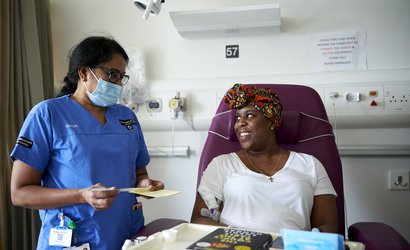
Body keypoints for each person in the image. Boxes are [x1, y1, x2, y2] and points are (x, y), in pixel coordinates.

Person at [10, 36, 164, 250]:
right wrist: (82, 195)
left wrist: (145, 185)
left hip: (126, 237)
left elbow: (139, 175)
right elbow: (20, 193)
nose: (118, 84)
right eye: (112, 75)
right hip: (74, 239)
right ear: (84, 73)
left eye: (121, 77)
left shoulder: (126, 118)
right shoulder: (47, 115)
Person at [191, 83, 338, 234]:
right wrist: (243, 239)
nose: (240, 123)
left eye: (249, 115)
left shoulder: (310, 165)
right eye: (237, 118)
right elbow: (199, 220)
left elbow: (328, 227)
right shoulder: (221, 165)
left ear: (272, 121)